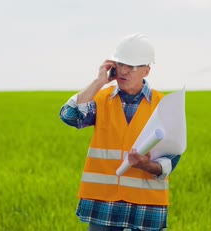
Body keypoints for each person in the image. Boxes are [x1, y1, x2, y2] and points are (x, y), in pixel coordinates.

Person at [59, 33, 181, 231]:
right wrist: (99, 82)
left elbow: (172, 160)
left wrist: (147, 165)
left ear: (147, 71)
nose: (124, 71)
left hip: (146, 204)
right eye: (120, 64)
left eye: (132, 66)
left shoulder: (164, 106)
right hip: (103, 201)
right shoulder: (100, 99)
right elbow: (69, 116)